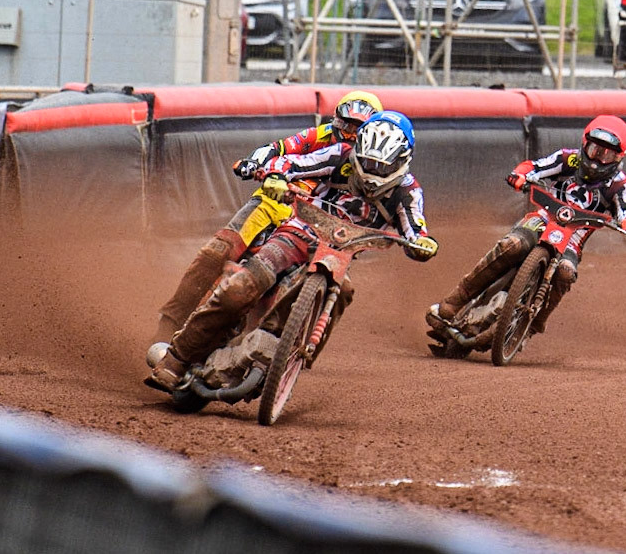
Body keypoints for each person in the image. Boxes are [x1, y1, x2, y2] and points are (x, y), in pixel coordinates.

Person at [147, 111, 439, 392]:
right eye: (368, 163)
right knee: (240, 287)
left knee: (345, 290)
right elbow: (292, 162)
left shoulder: (408, 191)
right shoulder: (339, 154)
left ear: (401, 161)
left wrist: (422, 244)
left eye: (382, 167)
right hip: (297, 233)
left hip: (339, 255)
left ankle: (297, 352)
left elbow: (415, 228)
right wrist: (275, 175)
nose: (373, 173)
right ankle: (176, 358)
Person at [152, 91, 384, 344]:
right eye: (345, 124)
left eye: (357, 129)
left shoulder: (377, 163)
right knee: (217, 250)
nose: (349, 133)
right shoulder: (319, 135)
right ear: (336, 119)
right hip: (274, 201)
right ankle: (171, 321)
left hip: (320, 224)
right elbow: (277, 149)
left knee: (337, 285)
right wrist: (254, 163)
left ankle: (296, 346)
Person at [433, 114, 626, 334]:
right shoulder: (568, 159)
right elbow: (535, 167)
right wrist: (520, 175)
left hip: (573, 239)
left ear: (619, 158)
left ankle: (538, 320)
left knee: (565, 272)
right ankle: (456, 300)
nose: (597, 159)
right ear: (584, 144)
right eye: (593, 150)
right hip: (542, 218)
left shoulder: (621, 185)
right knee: (512, 244)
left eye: (606, 155)